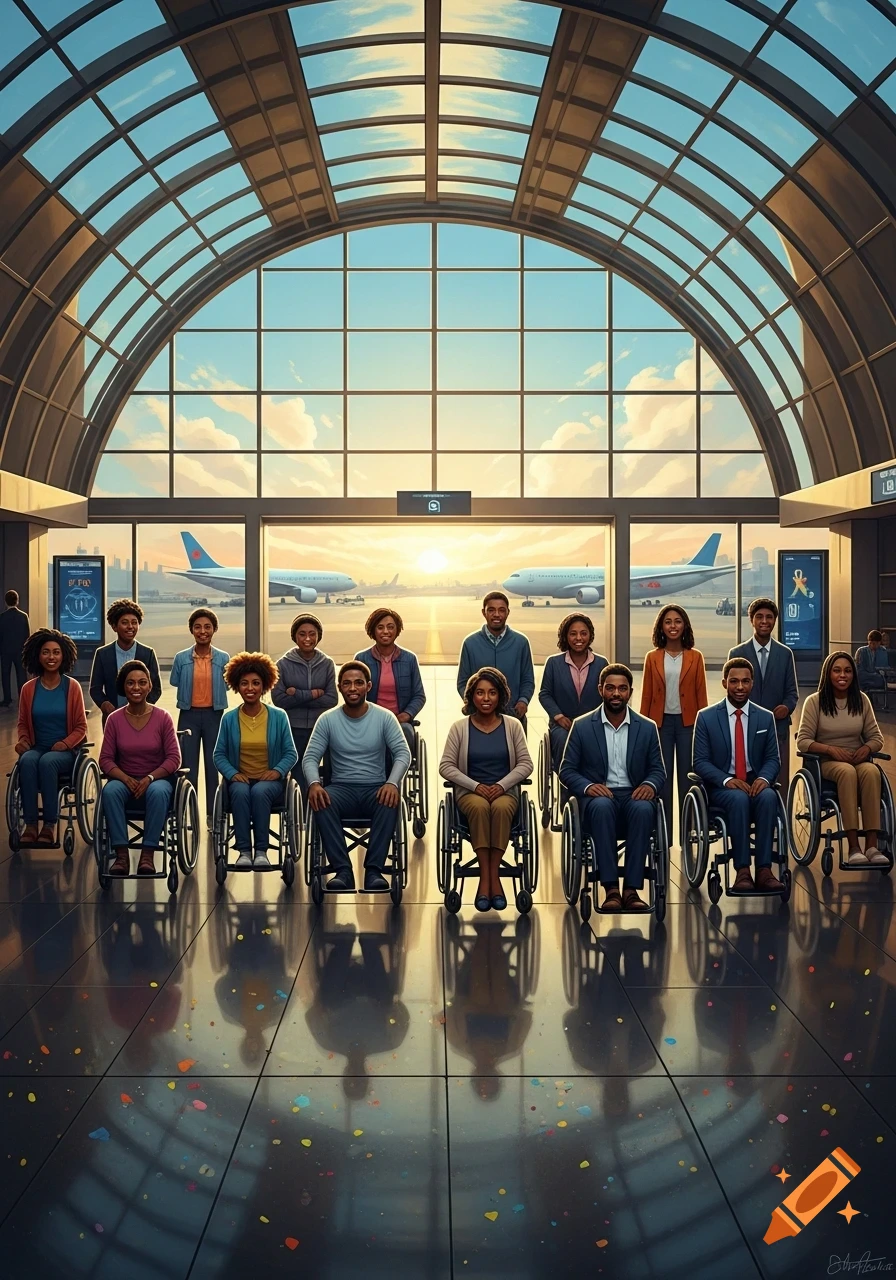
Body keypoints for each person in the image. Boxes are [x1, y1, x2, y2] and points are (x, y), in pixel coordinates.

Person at [559, 663, 665, 912]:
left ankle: (631, 890)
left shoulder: (647, 727)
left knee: (643, 810)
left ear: (630, 692)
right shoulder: (583, 726)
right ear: (600, 690)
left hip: (633, 793)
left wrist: (650, 784)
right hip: (598, 796)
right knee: (603, 807)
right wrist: (587, 787)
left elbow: (658, 770)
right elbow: (567, 770)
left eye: (622, 688)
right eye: (610, 688)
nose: (616, 693)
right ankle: (611, 890)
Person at [303, 661, 411, 894]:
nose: (353, 688)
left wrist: (392, 783)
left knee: (390, 799)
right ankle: (343, 872)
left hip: (376, 787)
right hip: (342, 788)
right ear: (340, 687)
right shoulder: (327, 720)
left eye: (359, 683)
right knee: (322, 801)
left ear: (368, 686)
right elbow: (310, 757)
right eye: (348, 683)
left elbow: (403, 753)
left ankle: (374, 871)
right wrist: (314, 784)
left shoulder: (384, 718)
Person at [440, 667, 533, 912]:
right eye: (480, 693)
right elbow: (446, 766)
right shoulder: (459, 728)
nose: (486, 698)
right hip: (470, 793)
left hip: (505, 793)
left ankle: (490, 880)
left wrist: (502, 785)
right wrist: (476, 786)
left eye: (492, 692)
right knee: (481, 808)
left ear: (501, 696)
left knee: (501, 808)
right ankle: (489, 881)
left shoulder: (513, 726)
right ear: (471, 696)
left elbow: (526, 763)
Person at [692, 657, 783, 893]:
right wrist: (726, 780)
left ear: (752, 684)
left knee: (769, 797)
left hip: (755, 781)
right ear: (724, 683)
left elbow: (773, 758)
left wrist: (763, 779)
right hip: (722, 785)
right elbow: (700, 762)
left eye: (745, 681)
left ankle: (764, 869)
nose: (740, 687)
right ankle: (742, 870)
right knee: (738, 798)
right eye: (734, 681)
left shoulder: (765, 717)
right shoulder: (706, 717)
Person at [796, 650, 887, 867]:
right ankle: (854, 846)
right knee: (847, 772)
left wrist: (866, 748)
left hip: (858, 758)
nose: (842, 675)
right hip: (826, 762)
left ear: (853, 674)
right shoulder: (814, 702)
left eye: (847, 670)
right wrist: (830, 750)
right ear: (828, 674)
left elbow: (877, 738)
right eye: (837, 670)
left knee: (872, 771)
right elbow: (803, 741)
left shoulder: (861, 700)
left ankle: (872, 846)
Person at [213, 652, 298, 869]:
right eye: (244, 683)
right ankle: (243, 851)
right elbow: (219, 755)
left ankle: (261, 851)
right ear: (236, 686)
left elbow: (291, 753)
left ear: (264, 686)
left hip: (270, 781)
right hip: (239, 779)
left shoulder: (279, 716)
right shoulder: (229, 718)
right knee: (241, 792)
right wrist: (232, 774)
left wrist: (277, 771)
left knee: (259, 792)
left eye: (255, 683)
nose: (250, 688)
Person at [99, 660, 181, 877]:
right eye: (131, 683)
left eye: (142, 683)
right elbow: (105, 760)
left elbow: (174, 758)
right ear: (123, 687)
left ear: (150, 686)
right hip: (124, 779)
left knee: (158, 791)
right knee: (110, 791)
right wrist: (125, 779)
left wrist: (150, 778)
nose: (136, 688)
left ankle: (147, 854)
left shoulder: (163, 717)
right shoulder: (114, 719)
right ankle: (121, 855)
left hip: (157, 780)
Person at [14, 628, 87, 846]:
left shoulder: (72, 687)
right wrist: (24, 740)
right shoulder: (28, 689)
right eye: (46, 652)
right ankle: (30, 824)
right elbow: (23, 724)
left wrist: (65, 744)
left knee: (47, 762)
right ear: (37, 655)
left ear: (64, 655)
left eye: (56, 652)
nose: (51, 657)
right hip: (37, 747)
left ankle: (49, 825)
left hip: (65, 751)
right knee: (27, 760)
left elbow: (81, 727)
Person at [640, 603, 707, 837]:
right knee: (663, 778)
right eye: (668, 622)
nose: (673, 626)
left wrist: (703, 728)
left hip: (688, 724)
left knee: (688, 777)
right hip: (660, 724)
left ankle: (688, 831)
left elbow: (701, 696)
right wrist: (644, 729)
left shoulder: (695, 657)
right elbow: (646, 695)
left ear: (685, 625)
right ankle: (663, 832)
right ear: (661, 626)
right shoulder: (652, 657)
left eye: (677, 621)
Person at [728, 597, 798, 792]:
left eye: (769, 617)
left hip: (778, 727)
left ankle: (780, 819)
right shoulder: (737, 653)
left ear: (775, 621)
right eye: (759, 617)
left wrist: (787, 707)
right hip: (745, 727)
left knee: (779, 781)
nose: (764, 621)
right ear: (752, 620)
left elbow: (792, 692)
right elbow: (731, 692)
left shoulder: (785, 654)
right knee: (747, 779)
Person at [170, 608, 230, 826]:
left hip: (215, 715)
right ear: (191, 630)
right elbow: (175, 681)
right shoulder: (181, 658)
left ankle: (213, 815)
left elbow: (226, 683)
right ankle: (190, 812)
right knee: (188, 766)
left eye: (207, 627)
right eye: (198, 627)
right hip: (189, 715)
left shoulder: (224, 658)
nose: (202, 631)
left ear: (214, 629)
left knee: (213, 765)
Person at [271, 614, 336, 793]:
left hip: (320, 727)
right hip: (293, 727)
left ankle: (322, 810)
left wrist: (296, 694)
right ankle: (301, 813)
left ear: (318, 636)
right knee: (297, 772)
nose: (307, 639)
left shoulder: (327, 664)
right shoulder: (282, 665)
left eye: (312, 634)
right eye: (302, 634)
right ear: (294, 636)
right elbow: (280, 700)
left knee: (327, 770)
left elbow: (332, 699)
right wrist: (315, 693)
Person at [538, 612, 608, 770]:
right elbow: (545, 694)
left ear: (590, 636)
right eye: (573, 634)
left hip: (594, 724)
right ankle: (566, 786)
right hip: (563, 724)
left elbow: (608, 696)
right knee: (564, 741)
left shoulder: (601, 663)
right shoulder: (554, 663)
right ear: (565, 636)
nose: (579, 638)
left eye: (583, 633)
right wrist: (558, 716)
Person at [456, 591, 534, 726]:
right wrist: (473, 703)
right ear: (483, 612)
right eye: (491, 610)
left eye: (501, 610)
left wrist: (523, 701)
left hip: (513, 716)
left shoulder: (521, 642)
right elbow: (463, 682)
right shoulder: (470, 643)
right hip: (478, 718)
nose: (496, 614)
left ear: (508, 612)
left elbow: (528, 680)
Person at [355, 607, 425, 749]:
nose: (385, 631)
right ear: (373, 630)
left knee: (405, 733)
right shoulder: (361, 659)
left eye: (390, 627)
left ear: (397, 630)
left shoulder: (409, 659)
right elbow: (354, 693)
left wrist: (405, 715)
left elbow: (419, 696)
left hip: (400, 722)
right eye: (380, 627)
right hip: (368, 720)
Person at [89, 599, 161, 724]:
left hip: (142, 718)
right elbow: (95, 688)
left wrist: (144, 707)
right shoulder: (103, 654)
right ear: (114, 626)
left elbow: (156, 688)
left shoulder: (147, 653)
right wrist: (105, 704)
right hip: (112, 717)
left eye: (134, 622)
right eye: (124, 622)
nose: (130, 627)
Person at [0, 589, 29, 708]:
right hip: (20, 651)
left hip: (5, 651)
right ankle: (22, 699)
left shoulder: (1, 617)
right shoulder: (23, 616)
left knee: (5, 675)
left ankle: (7, 699)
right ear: (17, 601)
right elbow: (27, 635)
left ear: (6, 602)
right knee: (21, 675)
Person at [854, 629, 890, 699]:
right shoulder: (861, 651)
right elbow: (859, 669)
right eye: (871, 643)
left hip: (878, 677)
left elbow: (885, 667)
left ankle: (868, 688)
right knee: (860, 677)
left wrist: (881, 673)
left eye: (875, 643)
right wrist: (872, 675)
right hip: (865, 676)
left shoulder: (883, 651)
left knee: (881, 679)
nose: (872, 645)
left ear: (879, 642)